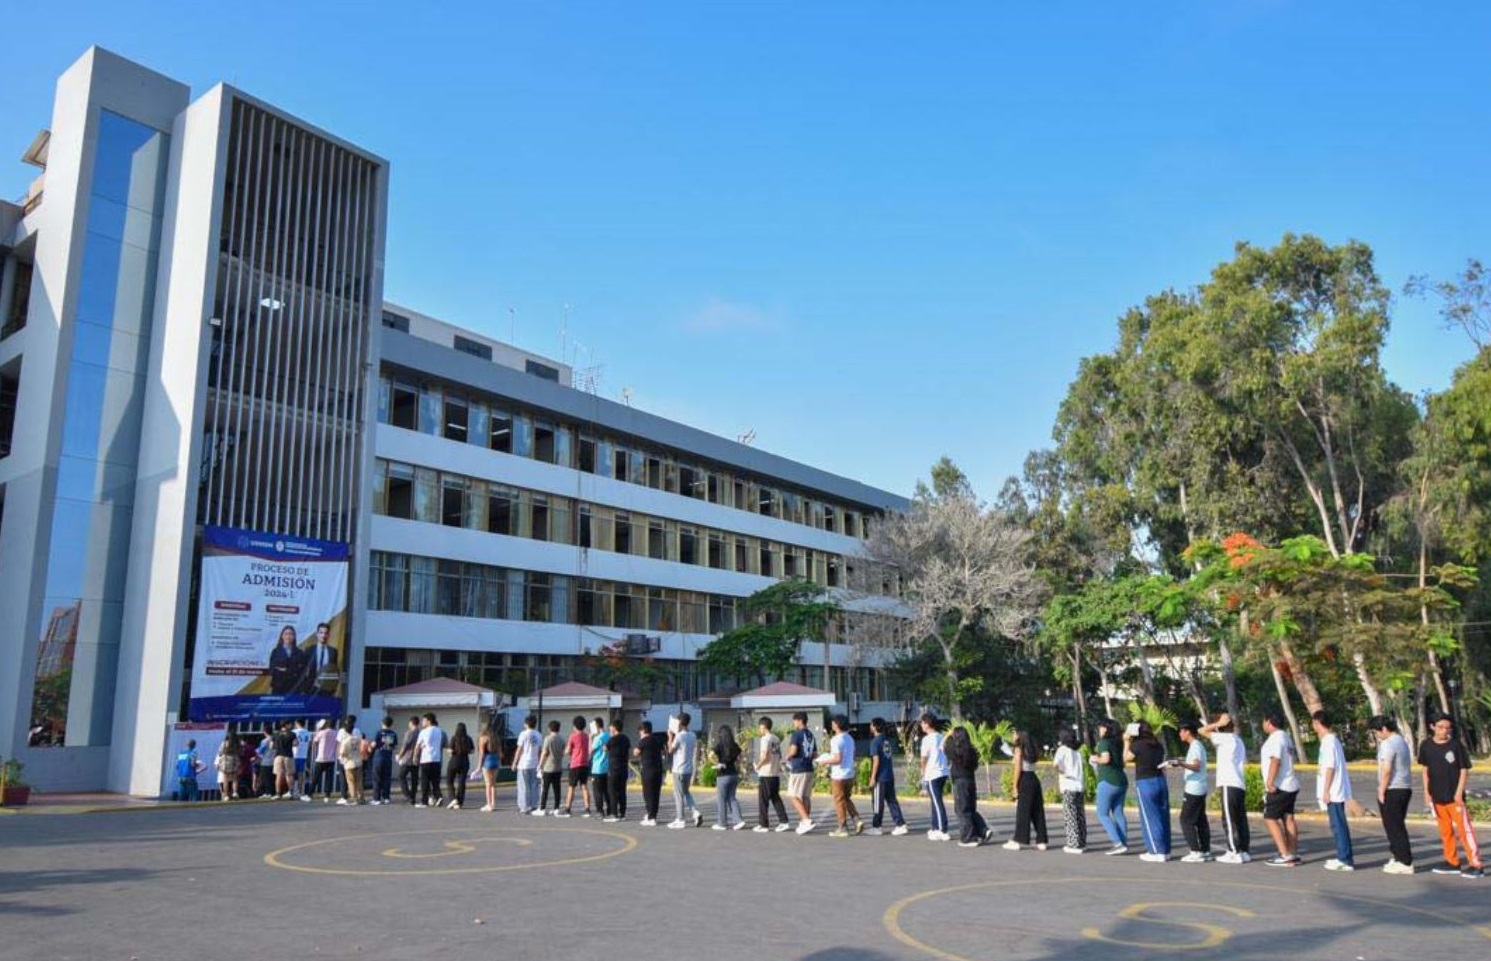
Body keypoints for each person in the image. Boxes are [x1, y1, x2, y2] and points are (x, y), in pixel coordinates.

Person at [1418, 713, 1484, 878]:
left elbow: (1464, 770)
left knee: (1465, 831)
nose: (1444, 731)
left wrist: (1458, 793)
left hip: (1454, 798)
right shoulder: (1426, 746)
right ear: (1432, 727)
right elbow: (1425, 770)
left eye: (1448, 728)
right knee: (1445, 831)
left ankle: (1476, 864)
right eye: (1440, 727)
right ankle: (1452, 862)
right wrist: (1427, 792)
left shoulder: (1455, 746)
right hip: (1437, 797)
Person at [1199, 712, 1251, 864]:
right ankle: (1243, 850)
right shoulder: (1237, 739)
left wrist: (1217, 724)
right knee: (1240, 818)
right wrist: (1219, 725)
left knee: (1229, 818)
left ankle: (1234, 851)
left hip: (1228, 782)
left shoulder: (1225, 738)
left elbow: (1202, 731)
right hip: (1238, 783)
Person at [1370, 714, 1415, 874]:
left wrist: (1381, 790)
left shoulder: (1388, 744)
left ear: (1383, 729)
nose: (1377, 736)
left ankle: (1404, 861)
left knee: (1394, 827)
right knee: (1397, 825)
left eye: (1377, 732)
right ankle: (1397, 856)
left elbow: (1387, 769)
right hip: (1405, 788)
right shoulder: (1401, 741)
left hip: (1393, 789)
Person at [1312, 710, 1354, 871]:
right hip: (1334, 790)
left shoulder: (1329, 742)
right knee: (1337, 825)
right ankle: (1343, 856)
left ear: (1317, 723)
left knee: (1338, 825)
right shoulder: (1331, 740)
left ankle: (1345, 859)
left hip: (1334, 791)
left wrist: (1326, 790)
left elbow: (1329, 767)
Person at [1260, 712, 1302, 867]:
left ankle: (1284, 854)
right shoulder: (1286, 737)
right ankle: (1292, 853)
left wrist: (1270, 783)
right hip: (1290, 784)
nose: (1263, 724)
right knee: (1288, 818)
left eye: (1264, 721)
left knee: (1270, 818)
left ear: (1269, 721)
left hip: (1280, 786)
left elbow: (1275, 760)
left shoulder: (1276, 738)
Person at [816, 715, 863, 838]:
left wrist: (824, 762)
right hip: (850, 774)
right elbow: (852, 755)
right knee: (846, 798)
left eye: (833, 723)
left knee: (838, 801)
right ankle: (857, 819)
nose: (831, 725)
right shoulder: (849, 738)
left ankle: (842, 827)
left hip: (839, 775)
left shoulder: (836, 740)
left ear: (837, 725)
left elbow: (837, 759)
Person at [945, 725, 990, 848]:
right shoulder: (971, 750)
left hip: (960, 782)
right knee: (970, 808)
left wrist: (949, 735)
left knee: (962, 810)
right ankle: (982, 830)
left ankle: (968, 837)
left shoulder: (954, 749)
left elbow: (945, 745)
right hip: (970, 780)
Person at [1004, 729, 1049, 851]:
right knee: (1037, 810)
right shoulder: (1032, 750)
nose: (1013, 736)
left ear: (1019, 736)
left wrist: (1014, 786)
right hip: (1034, 778)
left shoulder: (1019, 750)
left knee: (1023, 811)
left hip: (1024, 779)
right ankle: (1042, 840)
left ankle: (1019, 839)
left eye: (1014, 734)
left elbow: (1018, 768)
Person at [1175, 723, 1212, 863]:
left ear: (1188, 732)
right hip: (1200, 787)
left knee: (1185, 820)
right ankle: (1205, 850)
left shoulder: (1195, 746)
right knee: (1200, 819)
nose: (1180, 734)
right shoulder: (1196, 746)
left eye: (1181, 731)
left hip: (1194, 789)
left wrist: (1181, 764)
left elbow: (1196, 766)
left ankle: (1195, 851)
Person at [1091, 718, 1129, 855]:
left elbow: (1105, 759)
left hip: (1107, 780)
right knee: (1118, 812)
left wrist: (1095, 759)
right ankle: (1123, 842)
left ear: (1106, 729)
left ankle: (1117, 842)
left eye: (1100, 727)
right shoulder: (1118, 743)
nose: (1099, 730)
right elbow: (1123, 761)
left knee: (1102, 813)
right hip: (1121, 780)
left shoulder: (1104, 743)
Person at [867, 717, 908, 836]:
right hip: (889, 774)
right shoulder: (886, 740)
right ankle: (900, 824)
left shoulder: (875, 742)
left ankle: (876, 826)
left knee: (877, 803)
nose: (870, 727)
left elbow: (876, 760)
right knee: (892, 801)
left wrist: (873, 777)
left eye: (871, 724)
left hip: (880, 777)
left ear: (875, 727)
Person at [753, 717, 791, 833]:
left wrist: (757, 766)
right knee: (775, 798)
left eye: (760, 727)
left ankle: (763, 824)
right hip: (775, 773)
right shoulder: (776, 739)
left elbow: (765, 756)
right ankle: (784, 821)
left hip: (765, 773)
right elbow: (778, 756)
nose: (759, 730)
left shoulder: (765, 739)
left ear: (763, 727)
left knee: (763, 800)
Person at [785, 711, 820, 835]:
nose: (794, 723)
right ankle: (804, 821)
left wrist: (786, 756)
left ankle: (806, 820)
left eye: (795, 720)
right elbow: (815, 754)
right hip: (809, 767)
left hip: (798, 768)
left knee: (793, 795)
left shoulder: (797, 734)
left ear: (800, 721)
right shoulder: (810, 734)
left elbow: (793, 751)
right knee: (805, 796)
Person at [1053, 728, 1087, 854]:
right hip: (1079, 786)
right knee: (1080, 815)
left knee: (1070, 815)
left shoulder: (1062, 749)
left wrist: (1064, 772)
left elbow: (1055, 765)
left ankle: (1073, 844)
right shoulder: (1077, 751)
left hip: (1068, 785)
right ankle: (1082, 841)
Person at [918, 713, 951, 842]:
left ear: (927, 723)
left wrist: (923, 773)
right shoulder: (941, 736)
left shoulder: (927, 739)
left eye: (922, 723)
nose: (921, 725)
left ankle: (943, 830)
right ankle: (935, 827)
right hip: (942, 772)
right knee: (935, 801)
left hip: (933, 774)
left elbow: (923, 758)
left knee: (937, 802)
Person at [667, 712, 702, 828]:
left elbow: (670, 750)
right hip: (688, 769)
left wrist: (670, 737)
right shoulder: (692, 735)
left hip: (679, 769)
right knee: (686, 792)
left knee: (678, 794)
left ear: (680, 723)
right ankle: (695, 812)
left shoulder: (679, 736)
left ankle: (680, 819)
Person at [711, 724, 746, 830]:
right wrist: (738, 766)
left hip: (723, 775)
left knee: (721, 799)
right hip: (733, 774)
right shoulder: (735, 745)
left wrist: (717, 764)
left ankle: (722, 823)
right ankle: (738, 821)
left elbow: (710, 755)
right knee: (732, 798)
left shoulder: (719, 745)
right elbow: (742, 757)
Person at [558, 716, 591, 818]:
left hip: (575, 764)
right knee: (584, 786)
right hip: (585, 763)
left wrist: (570, 752)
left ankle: (568, 809)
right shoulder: (586, 736)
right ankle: (587, 809)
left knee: (571, 787)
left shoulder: (573, 736)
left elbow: (567, 750)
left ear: (575, 726)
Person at [634, 720, 665, 825]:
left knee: (648, 794)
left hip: (648, 770)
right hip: (658, 769)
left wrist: (641, 740)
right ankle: (653, 815)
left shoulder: (643, 741)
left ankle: (651, 817)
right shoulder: (656, 740)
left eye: (640, 731)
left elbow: (636, 752)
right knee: (656, 794)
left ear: (643, 730)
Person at [511, 715, 542, 814]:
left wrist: (514, 762)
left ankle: (524, 806)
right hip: (535, 762)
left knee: (523, 786)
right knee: (534, 785)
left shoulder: (523, 734)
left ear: (526, 724)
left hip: (524, 763)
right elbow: (540, 750)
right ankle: (534, 805)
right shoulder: (538, 735)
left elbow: (519, 749)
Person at [416, 712, 446, 808]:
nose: (422, 722)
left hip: (426, 759)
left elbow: (418, 746)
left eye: (424, 720)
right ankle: (438, 796)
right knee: (435, 781)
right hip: (436, 759)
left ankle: (424, 801)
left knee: (425, 781)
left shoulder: (423, 732)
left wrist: (415, 757)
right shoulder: (439, 731)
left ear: (428, 721)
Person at [603, 719, 631, 822]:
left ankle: (614, 814)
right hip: (623, 768)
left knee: (612, 791)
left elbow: (605, 748)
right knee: (622, 791)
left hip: (614, 769)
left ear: (614, 728)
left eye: (610, 727)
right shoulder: (626, 738)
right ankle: (622, 813)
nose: (609, 729)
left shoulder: (612, 739)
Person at [302, 622, 339, 694]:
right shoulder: (309, 650)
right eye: (321, 633)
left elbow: (334, 670)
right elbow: (303, 671)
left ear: (328, 635)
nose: (323, 635)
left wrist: (333, 688)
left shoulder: (333, 651)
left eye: (326, 633)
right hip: (310, 689)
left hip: (327, 689)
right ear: (317, 634)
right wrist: (304, 688)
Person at [537, 720, 565, 816]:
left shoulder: (548, 739)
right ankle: (556, 807)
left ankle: (542, 808)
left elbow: (544, 753)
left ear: (549, 728)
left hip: (548, 767)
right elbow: (562, 753)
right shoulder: (561, 739)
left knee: (545, 788)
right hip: (558, 766)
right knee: (557, 788)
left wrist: (540, 764)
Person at [267, 626, 305, 695]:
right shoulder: (275, 652)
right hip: (278, 687)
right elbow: (272, 670)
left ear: (294, 637)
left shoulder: (300, 653)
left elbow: (301, 671)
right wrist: (292, 671)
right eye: (286, 634)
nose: (288, 636)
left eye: (291, 634)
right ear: (282, 636)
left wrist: (284, 670)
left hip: (295, 688)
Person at [336, 717, 365, 805]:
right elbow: (361, 747)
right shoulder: (357, 738)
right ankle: (361, 798)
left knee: (351, 781)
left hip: (349, 763)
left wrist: (341, 756)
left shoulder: (345, 741)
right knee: (359, 781)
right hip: (358, 761)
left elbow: (342, 753)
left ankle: (353, 798)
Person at [445, 722, 474, 810]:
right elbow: (472, 751)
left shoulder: (454, 738)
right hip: (465, 762)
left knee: (449, 781)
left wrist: (448, 751)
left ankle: (453, 798)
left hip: (454, 761)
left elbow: (450, 750)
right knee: (461, 783)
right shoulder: (469, 739)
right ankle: (459, 802)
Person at [371, 716, 398, 805]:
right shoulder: (393, 734)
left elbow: (374, 744)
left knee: (377, 778)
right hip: (388, 757)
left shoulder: (379, 733)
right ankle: (386, 797)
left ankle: (377, 799)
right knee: (387, 778)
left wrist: (371, 746)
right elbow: (394, 746)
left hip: (378, 757)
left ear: (382, 723)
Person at [589, 717, 612, 819]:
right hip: (607, 767)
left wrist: (590, 738)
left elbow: (591, 751)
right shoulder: (608, 736)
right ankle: (610, 809)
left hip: (597, 767)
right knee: (606, 790)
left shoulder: (598, 738)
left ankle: (600, 811)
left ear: (597, 726)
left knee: (597, 791)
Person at [397, 717, 421, 805]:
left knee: (401, 776)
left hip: (407, 758)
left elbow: (405, 745)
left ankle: (408, 794)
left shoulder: (410, 733)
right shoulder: (421, 732)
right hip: (417, 758)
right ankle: (413, 797)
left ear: (411, 723)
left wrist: (400, 755)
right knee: (414, 779)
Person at [216, 732, 241, 801]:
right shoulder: (237, 743)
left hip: (225, 759)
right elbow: (240, 752)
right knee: (235, 778)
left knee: (225, 779)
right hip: (235, 758)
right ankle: (235, 792)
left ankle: (226, 795)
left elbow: (220, 752)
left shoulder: (224, 743)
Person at [292, 719, 312, 799]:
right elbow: (310, 744)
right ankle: (300, 791)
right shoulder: (308, 732)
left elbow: (293, 743)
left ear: (297, 723)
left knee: (292, 774)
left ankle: (293, 791)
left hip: (294, 755)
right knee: (301, 774)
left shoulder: (294, 732)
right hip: (303, 755)